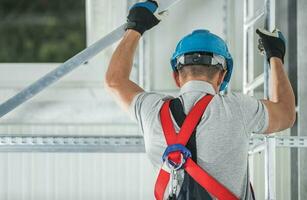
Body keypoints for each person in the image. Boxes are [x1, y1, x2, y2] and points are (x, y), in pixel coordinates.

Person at [104, 1, 296, 199]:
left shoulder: (152, 111)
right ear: (222, 77)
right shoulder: (238, 109)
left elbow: (114, 81)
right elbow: (286, 114)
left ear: (176, 76)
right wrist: (275, 55)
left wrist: (136, 25)